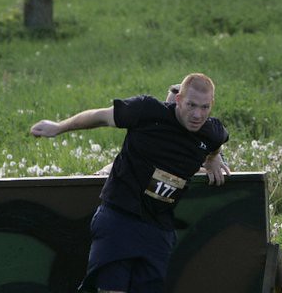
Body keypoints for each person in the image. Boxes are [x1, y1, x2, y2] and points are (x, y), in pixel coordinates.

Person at [30, 73, 231, 293]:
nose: (197, 114)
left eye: (204, 107)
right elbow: (100, 116)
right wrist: (59, 127)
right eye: (191, 105)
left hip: (159, 229)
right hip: (119, 219)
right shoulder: (147, 111)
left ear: (211, 105)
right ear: (178, 100)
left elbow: (217, 142)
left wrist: (213, 159)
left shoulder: (212, 132)